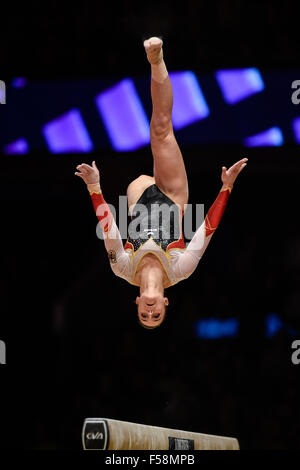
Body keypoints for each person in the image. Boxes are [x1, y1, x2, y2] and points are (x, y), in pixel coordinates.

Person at [75, 37, 248, 329]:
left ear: (138, 303)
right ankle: (157, 59)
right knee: (161, 128)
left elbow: (108, 228)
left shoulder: (122, 268)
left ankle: (156, 66)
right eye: (157, 316)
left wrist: (94, 187)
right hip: (172, 193)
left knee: (143, 172)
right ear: (166, 303)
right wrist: (226, 187)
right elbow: (207, 229)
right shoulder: (181, 269)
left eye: (145, 315)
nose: (151, 312)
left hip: (138, 194)